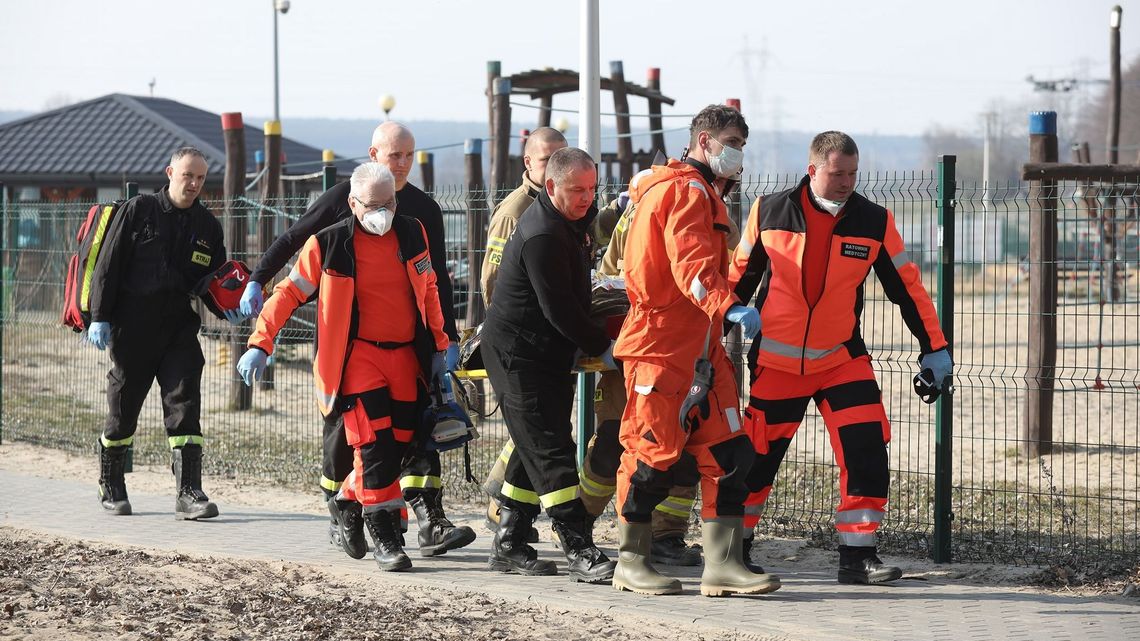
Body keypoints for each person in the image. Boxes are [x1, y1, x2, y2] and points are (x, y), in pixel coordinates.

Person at [237, 122, 473, 558]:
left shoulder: (412, 231)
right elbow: (288, 294)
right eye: (372, 206)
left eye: (389, 204)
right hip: (358, 357)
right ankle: (385, 538)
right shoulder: (330, 244)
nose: (382, 213)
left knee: (404, 441)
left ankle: (348, 500)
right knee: (376, 444)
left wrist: (444, 343)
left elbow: (432, 289)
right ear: (352, 202)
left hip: (406, 355)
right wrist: (260, 342)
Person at [729, 131, 953, 584]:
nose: (847, 181)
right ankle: (735, 550)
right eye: (837, 173)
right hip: (777, 362)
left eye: (853, 172)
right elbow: (737, 279)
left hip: (841, 360)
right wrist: (721, 319)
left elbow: (907, 288)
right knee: (758, 457)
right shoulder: (768, 211)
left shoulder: (875, 221)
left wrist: (935, 348)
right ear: (813, 170)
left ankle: (858, 557)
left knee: (866, 446)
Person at [612, 104, 779, 597]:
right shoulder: (684, 191)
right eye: (732, 143)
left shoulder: (701, 191)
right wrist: (728, 306)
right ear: (704, 141)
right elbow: (691, 264)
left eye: (742, 146)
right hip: (661, 345)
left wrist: (720, 314)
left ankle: (722, 564)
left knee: (730, 450)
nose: (737, 155)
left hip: (699, 346)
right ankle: (631, 560)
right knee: (649, 455)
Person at [481, 147, 617, 583]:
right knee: (552, 449)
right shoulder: (541, 233)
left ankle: (510, 541)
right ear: (552, 185)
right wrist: (603, 345)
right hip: (519, 356)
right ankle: (578, 545)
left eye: (593, 189)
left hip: (548, 353)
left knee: (533, 445)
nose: (587, 198)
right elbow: (559, 308)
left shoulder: (571, 223)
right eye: (578, 189)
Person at [86, 146, 240, 520]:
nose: (194, 184)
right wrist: (99, 316)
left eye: (201, 178)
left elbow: (213, 281)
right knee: (124, 411)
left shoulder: (207, 226)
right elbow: (108, 265)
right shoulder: (139, 211)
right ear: (170, 172)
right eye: (188, 175)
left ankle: (190, 494)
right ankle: (112, 485)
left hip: (178, 328)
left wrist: (231, 308)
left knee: (185, 405)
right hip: (132, 327)